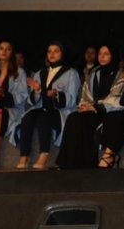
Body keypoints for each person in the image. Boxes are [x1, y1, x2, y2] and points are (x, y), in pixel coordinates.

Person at [56, 44, 124, 169]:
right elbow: (86, 93)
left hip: (111, 110)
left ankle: (89, 162)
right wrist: (85, 106)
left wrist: (95, 108)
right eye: (100, 53)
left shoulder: (121, 73)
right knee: (74, 118)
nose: (102, 56)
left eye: (106, 54)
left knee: (88, 119)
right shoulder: (95, 72)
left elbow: (117, 98)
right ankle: (70, 163)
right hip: (95, 110)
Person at [17, 41, 81, 169]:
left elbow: (72, 99)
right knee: (27, 118)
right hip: (42, 108)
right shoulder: (40, 73)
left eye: (56, 51)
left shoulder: (71, 73)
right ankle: (24, 154)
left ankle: (44, 154)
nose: (52, 54)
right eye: (49, 51)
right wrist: (37, 90)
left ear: (62, 54)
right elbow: (32, 102)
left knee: (43, 118)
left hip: (61, 110)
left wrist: (57, 95)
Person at [0, 41, 28, 143]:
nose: (4, 51)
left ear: (12, 53)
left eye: (8, 49)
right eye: (1, 48)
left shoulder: (19, 72)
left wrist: (3, 94)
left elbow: (23, 95)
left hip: (12, 109)